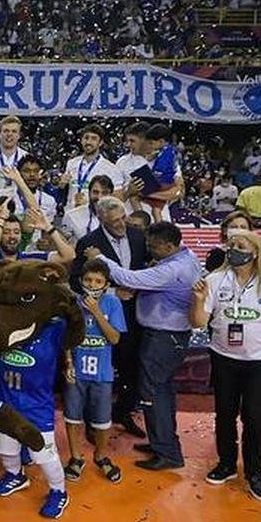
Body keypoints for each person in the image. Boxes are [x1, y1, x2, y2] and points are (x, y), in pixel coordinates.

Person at [190, 231, 261, 502]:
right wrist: (199, 300)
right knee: (224, 414)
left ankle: (254, 473)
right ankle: (226, 463)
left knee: (254, 416)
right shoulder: (213, 280)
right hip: (224, 359)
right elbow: (199, 323)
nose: (233, 249)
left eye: (240, 245)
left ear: (256, 252)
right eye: (231, 245)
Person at [87, 221, 201, 470]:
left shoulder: (173, 269)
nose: (149, 250)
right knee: (163, 392)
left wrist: (102, 259)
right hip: (169, 337)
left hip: (164, 337)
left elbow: (128, 278)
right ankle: (163, 442)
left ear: (170, 246)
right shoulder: (186, 256)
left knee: (154, 394)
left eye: (154, 247)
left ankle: (167, 453)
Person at [73, 196, 149, 438]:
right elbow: (76, 280)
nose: (121, 224)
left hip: (135, 316)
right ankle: (91, 423)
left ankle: (124, 413)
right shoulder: (88, 242)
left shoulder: (138, 237)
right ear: (101, 218)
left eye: (122, 218)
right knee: (96, 373)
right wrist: (114, 292)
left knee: (130, 367)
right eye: (115, 221)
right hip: (98, 317)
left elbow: (146, 271)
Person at [63, 259, 127, 484]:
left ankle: (101, 456)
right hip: (77, 372)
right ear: (81, 281)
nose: (92, 284)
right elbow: (67, 338)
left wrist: (96, 312)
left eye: (98, 281)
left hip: (102, 373)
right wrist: (68, 362)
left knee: (102, 420)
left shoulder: (112, 303)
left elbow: (115, 338)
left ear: (106, 284)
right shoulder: (73, 304)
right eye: (88, 280)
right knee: (72, 416)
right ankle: (75, 458)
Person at [60, 124, 124, 208]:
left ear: (100, 143)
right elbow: (63, 190)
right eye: (86, 138)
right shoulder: (71, 163)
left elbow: (118, 199)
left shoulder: (111, 168)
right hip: (71, 214)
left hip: (95, 216)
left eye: (94, 139)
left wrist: (93, 202)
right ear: (81, 140)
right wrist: (61, 185)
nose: (88, 142)